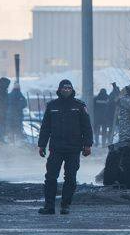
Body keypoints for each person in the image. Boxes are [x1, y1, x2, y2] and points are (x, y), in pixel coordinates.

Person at [37, 79, 92, 215]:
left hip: (73, 149)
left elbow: (86, 127)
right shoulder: (52, 106)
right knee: (50, 177)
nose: (66, 90)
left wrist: (88, 144)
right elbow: (45, 128)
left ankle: (65, 205)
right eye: (64, 88)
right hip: (56, 148)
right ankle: (49, 206)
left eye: (68, 88)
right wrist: (41, 145)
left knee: (71, 178)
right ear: (60, 90)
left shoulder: (79, 106)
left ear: (72, 90)